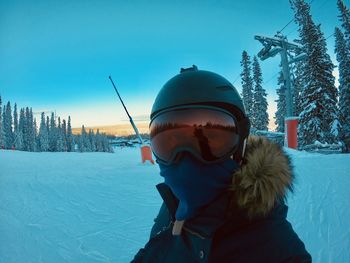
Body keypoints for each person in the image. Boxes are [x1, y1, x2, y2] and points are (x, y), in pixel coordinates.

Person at [132, 66, 311, 263]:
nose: (186, 159)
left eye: (212, 139)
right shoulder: (175, 203)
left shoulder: (275, 245)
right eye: (169, 142)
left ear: (240, 143)